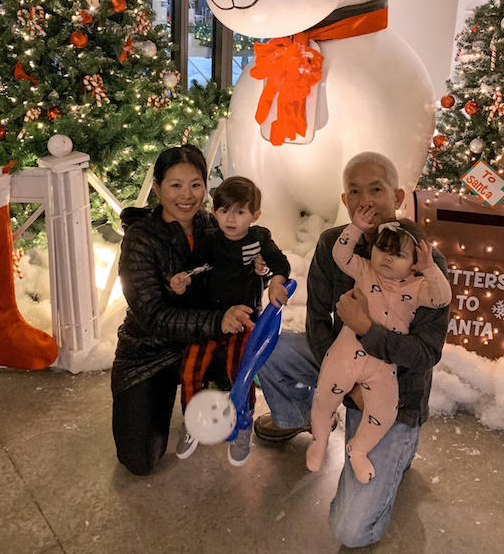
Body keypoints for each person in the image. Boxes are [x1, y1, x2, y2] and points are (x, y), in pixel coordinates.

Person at [254, 151, 449, 548]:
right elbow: (316, 321)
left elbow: (425, 355)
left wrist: (365, 331)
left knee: (351, 531)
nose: (366, 199)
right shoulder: (335, 245)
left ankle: (399, 448)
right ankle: (299, 417)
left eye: (376, 189)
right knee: (268, 350)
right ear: (344, 201)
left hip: (393, 386)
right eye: (355, 191)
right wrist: (339, 377)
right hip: (342, 360)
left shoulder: (427, 263)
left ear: (396, 194)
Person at [111, 145, 255, 477]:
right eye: (175, 185)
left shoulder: (212, 225)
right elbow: (152, 316)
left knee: (244, 357)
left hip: (203, 344)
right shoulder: (141, 240)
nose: (186, 195)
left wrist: (260, 267)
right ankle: (161, 394)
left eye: (195, 184)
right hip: (150, 352)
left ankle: (218, 397)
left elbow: (237, 268)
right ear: (158, 187)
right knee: (139, 460)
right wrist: (218, 320)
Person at [306, 207, 451, 483]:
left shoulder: (417, 288)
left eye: (398, 255)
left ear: (413, 263)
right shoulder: (364, 269)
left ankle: (358, 451)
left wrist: (429, 269)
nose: (387, 258)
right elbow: (340, 255)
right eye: (382, 250)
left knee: (384, 412)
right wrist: (356, 229)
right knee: (324, 397)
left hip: (383, 365)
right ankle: (320, 439)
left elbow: (441, 298)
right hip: (346, 353)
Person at [169, 175, 290, 466]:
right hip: (211, 318)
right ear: (214, 213)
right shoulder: (210, 239)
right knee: (189, 370)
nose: (231, 219)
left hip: (246, 319)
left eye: (239, 211)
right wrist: (182, 278)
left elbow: (280, 262)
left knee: (241, 373)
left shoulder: (259, 238)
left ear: (254, 215)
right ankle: (192, 419)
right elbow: (198, 266)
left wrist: (275, 281)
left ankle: (242, 423)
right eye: (224, 210)